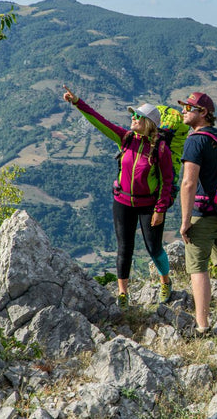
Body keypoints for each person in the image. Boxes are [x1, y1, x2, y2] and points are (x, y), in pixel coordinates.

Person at [62, 85, 174, 309]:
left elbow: (167, 182)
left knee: (154, 248)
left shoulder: (161, 149)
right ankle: (123, 293)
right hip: (122, 202)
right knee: (124, 248)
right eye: (133, 115)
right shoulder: (126, 138)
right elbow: (99, 121)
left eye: (137, 116)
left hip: (148, 206)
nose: (132, 118)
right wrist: (77, 102)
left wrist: (160, 210)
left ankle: (166, 282)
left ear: (148, 123)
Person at [178, 92, 217, 335]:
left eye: (188, 107)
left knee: (198, 269)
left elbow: (188, 183)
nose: (183, 111)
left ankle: (202, 325)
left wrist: (185, 221)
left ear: (203, 113)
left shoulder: (195, 141)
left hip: (201, 213)